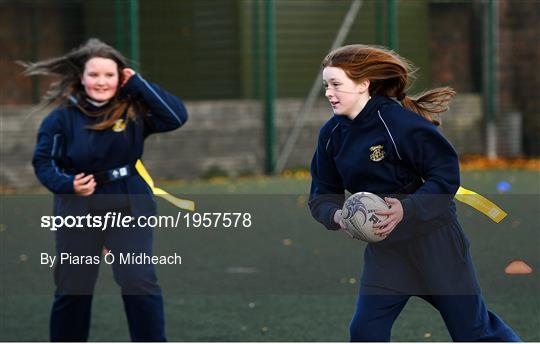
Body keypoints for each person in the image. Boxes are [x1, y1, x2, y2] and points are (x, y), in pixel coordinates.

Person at [308, 44, 521, 342]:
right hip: (388, 252)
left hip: (436, 244)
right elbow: (321, 194)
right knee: (365, 331)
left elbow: (445, 177)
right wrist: (338, 216)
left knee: (473, 331)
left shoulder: (400, 123)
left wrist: (406, 209)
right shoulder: (331, 135)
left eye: (336, 84)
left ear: (363, 84)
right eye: (326, 85)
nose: (329, 93)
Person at [23, 38, 188, 341]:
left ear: (120, 77)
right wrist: (68, 185)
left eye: (109, 75)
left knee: (138, 279)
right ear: (81, 78)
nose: (101, 82)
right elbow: (44, 163)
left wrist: (138, 84)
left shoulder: (134, 110)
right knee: (74, 287)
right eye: (94, 75)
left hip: (129, 205)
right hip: (78, 210)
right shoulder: (60, 119)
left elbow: (176, 116)